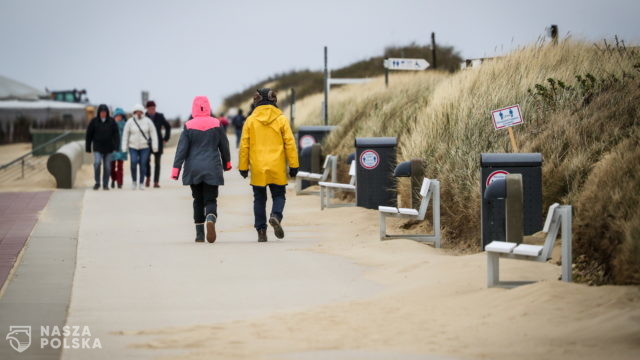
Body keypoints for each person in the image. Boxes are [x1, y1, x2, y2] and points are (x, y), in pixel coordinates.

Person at [238, 88, 299, 242]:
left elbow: (244, 145)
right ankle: (276, 215)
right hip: (276, 166)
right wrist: (294, 165)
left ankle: (261, 231)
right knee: (279, 195)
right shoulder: (281, 119)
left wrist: (243, 167)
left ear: (256, 101)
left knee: (259, 199)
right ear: (274, 100)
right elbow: (290, 144)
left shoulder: (250, 120)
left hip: (258, 167)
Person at [171, 96, 231, 243]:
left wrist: (176, 170)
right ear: (208, 107)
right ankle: (210, 216)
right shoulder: (217, 124)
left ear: (194, 108)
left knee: (197, 199)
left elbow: (181, 150)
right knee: (211, 198)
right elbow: (224, 145)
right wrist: (227, 163)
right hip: (212, 167)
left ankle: (199, 234)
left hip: (194, 169)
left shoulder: (188, 125)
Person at [121, 104, 158, 190]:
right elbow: (125, 135)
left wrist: (155, 147)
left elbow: (153, 134)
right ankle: (134, 181)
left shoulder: (148, 121)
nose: (138, 113)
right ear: (134, 112)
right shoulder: (130, 122)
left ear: (143, 112)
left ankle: (141, 182)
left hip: (145, 147)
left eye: (140, 111)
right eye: (136, 111)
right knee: (133, 162)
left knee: (143, 164)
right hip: (132, 146)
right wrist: (124, 147)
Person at [85, 104, 120, 190]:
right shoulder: (94, 121)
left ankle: (105, 184)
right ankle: (97, 182)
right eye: (101, 112)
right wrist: (88, 147)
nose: (103, 114)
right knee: (97, 163)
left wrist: (116, 147)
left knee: (107, 167)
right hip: (97, 147)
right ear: (99, 113)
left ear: (107, 113)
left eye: (104, 112)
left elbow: (116, 135)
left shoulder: (112, 121)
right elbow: (89, 135)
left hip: (109, 148)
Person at [144, 100, 171, 188]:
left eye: (154, 108)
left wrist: (166, 138)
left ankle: (156, 181)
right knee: (146, 161)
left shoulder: (160, 116)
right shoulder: (144, 117)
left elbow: (168, 126)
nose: (152, 110)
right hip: (147, 142)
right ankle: (147, 177)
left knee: (157, 163)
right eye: (150, 108)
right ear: (147, 109)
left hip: (158, 142)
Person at [110, 107, 128, 189]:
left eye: (120, 116)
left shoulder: (126, 125)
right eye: (117, 116)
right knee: (112, 166)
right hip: (113, 147)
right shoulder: (110, 124)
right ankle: (114, 179)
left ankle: (120, 182)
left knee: (120, 166)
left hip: (122, 147)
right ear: (114, 116)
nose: (119, 117)